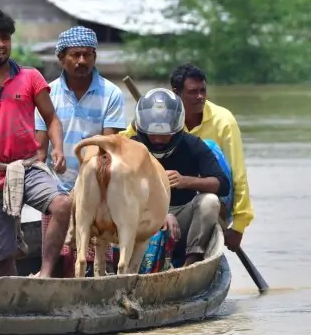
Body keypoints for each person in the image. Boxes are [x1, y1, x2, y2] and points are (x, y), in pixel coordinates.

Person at [0, 7, 71, 278]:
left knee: (63, 206)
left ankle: (44, 273)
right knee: (4, 257)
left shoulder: (30, 77)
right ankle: (13, 293)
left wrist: (57, 149)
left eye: (5, 38)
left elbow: (52, 119)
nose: (0, 45)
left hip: (28, 166)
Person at [122, 63, 252, 252]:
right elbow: (123, 145)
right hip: (153, 201)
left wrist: (239, 225)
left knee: (210, 148)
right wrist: (141, 122)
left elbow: (237, 175)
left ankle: (197, 250)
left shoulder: (223, 120)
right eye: (193, 92)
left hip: (206, 195)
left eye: (203, 91)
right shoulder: (154, 117)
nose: (200, 97)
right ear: (176, 93)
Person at [34, 26, 127, 275]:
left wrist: (86, 183)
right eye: (75, 55)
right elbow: (40, 150)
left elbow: (109, 148)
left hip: (97, 186)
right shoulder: (46, 94)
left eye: (87, 55)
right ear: (62, 58)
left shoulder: (111, 94)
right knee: (59, 259)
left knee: (97, 260)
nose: (82, 61)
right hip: (57, 189)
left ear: (95, 57)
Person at [129, 88, 230, 266]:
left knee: (210, 201)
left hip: (183, 215)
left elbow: (222, 184)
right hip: (142, 216)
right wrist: (162, 215)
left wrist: (185, 181)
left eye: (165, 135)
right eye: (153, 135)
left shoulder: (193, 144)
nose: (159, 140)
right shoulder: (132, 148)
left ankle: (192, 260)